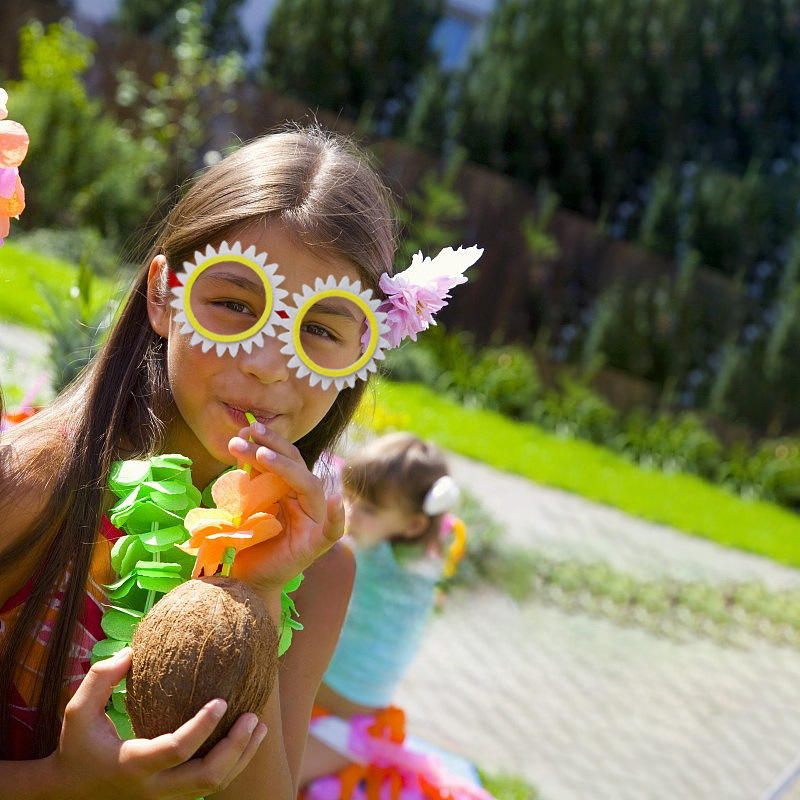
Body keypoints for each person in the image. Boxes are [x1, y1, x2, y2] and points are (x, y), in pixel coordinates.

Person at [0, 126, 405, 799]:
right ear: (164, 296)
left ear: (362, 350)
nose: (269, 365)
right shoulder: (30, 483)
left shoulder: (320, 572)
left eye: (319, 329)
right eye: (234, 306)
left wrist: (262, 593)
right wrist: (60, 782)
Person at [300, 432, 474, 796]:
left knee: (273, 778)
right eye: (351, 497)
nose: (349, 512)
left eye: (368, 510)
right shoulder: (380, 538)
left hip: (349, 728)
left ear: (412, 526)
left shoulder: (403, 567)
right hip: (306, 700)